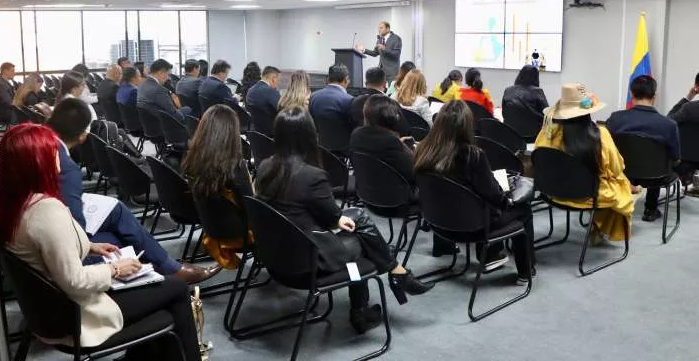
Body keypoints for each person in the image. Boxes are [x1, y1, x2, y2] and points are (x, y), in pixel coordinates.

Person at [0, 123, 202, 361]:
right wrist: (115, 269)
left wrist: (90, 246)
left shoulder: (12, 203)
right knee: (175, 288)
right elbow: (74, 281)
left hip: (50, 309)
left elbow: (43, 245)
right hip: (77, 311)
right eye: (54, 152)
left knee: (156, 288)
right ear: (38, 163)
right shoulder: (46, 211)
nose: (61, 156)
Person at [256, 107, 431, 332]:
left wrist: (336, 219)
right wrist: (337, 219)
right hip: (306, 263)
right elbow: (330, 219)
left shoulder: (264, 167)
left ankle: (394, 275)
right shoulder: (311, 176)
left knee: (357, 221)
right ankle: (373, 299)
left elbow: (318, 215)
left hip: (277, 255)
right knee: (362, 240)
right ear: (310, 135)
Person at [47, 98, 222, 282]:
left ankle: (164, 268)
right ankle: (167, 270)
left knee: (118, 218)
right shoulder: (65, 167)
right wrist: (90, 246)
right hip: (62, 246)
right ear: (83, 136)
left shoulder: (41, 144)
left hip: (47, 228)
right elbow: (76, 230)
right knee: (120, 237)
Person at [414, 100, 536, 282]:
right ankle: (525, 272)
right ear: (467, 126)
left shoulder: (423, 150)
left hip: (437, 223)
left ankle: (489, 255)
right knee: (523, 211)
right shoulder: (473, 156)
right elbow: (493, 196)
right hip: (472, 227)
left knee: (466, 199)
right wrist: (508, 198)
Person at [536, 84, 633, 245]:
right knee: (620, 184)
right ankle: (599, 228)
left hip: (552, 192)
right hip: (588, 196)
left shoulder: (547, 133)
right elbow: (616, 168)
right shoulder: (600, 135)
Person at [182, 105, 254, 269]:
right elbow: (251, 209)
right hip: (238, 234)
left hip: (212, 227)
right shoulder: (235, 167)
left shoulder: (192, 158)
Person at [606, 76, 679, 222]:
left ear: (631, 94)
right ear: (654, 96)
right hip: (657, 177)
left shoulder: (615, 118)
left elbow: (607, 148)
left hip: (622, 173)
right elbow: (675, 156)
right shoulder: (668, 124)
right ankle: (650, 210)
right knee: (661, 163)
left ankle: (616, 206)